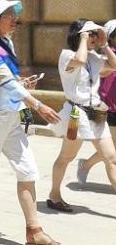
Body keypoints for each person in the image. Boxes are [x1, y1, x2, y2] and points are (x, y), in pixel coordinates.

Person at [0, 0, 61, 245]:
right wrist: (37, 104)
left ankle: (34, 231)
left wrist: (23, 84)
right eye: (10, 15)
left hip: (10, 115)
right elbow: (5, 82)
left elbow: (9, 81)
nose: (16, 19)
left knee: (27, 170)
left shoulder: (5, 42)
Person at [47, 19, 116, 212]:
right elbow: (80, 60)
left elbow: (114, 65)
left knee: (112, 158)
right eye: (90, 34)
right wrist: (84, 38)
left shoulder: (93, 57)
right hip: (76, 116)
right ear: (79, 35)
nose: (93, 37)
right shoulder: (67, 56)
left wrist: (104, 45)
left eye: (95, 34)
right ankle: (54, 194)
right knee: (66, 157)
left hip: (97, 114)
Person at [77, 18, 116, 183]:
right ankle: (85, 165)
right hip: (110, 108)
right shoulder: (103, 57)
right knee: (110, 151)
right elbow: (106, 71)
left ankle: (85, 164)